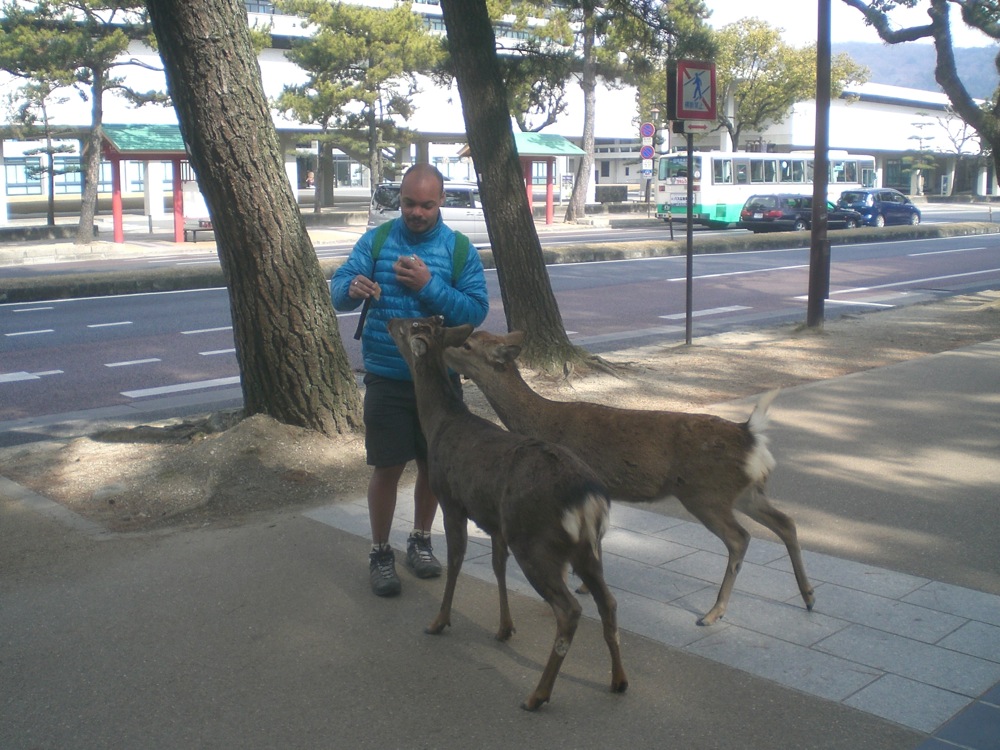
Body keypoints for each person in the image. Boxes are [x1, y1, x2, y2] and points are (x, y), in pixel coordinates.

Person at [331, 164, 489, 597]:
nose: (417, 212)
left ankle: (420, 541)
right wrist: (352, 288)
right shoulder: (378, 239)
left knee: (434, 469)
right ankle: (380, 552)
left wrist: (429, 285)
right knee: (386, 468)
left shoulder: (458, 250)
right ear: (398, 199)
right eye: (409, 203)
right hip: (386, 377)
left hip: (439, 382)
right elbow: (338, 287)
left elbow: (474, 312)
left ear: (441, 203)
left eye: (427, 204)